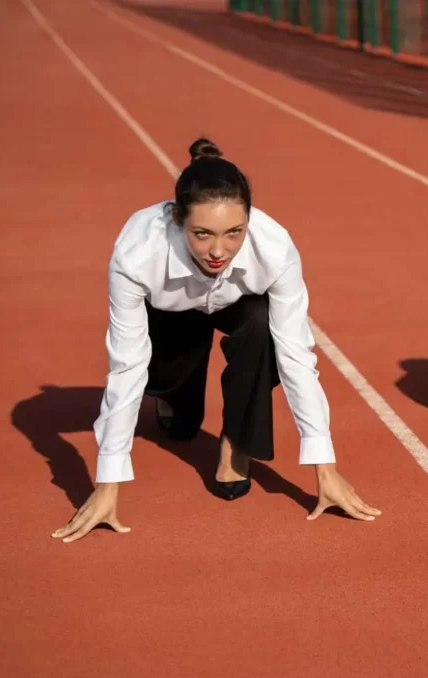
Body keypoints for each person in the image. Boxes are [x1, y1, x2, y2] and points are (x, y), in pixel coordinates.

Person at [52, 138, 381, 543]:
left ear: (250, 220)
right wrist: (107, 483)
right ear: (177, 220)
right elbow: (127, 364)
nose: (219, 251)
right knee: (180, 425)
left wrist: (324, 467)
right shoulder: (137, 256)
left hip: (238, 304)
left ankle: (236, 439)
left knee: (262, 324)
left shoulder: (275, 250)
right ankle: (175, 396)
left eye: (234, 233)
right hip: (169, 309)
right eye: (203, 234)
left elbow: (297, 356)